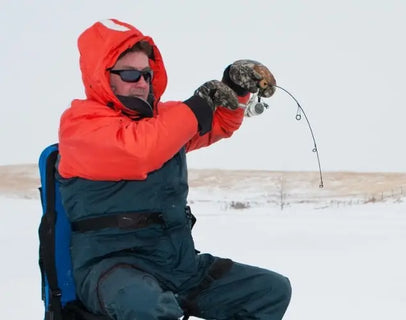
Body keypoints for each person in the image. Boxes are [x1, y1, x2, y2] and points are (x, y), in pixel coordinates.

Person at [57, 18, 291, 320]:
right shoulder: (81, 125)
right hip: (112, 269)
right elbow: (139, 152)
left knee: (270, 291)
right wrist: (197, 105)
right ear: (102, 77)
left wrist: (234, 89)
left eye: (146, 74)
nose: (141, 82)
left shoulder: (161, 121)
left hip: (177, 264)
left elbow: (217, 124)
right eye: (129, 74)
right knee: (149, 308)